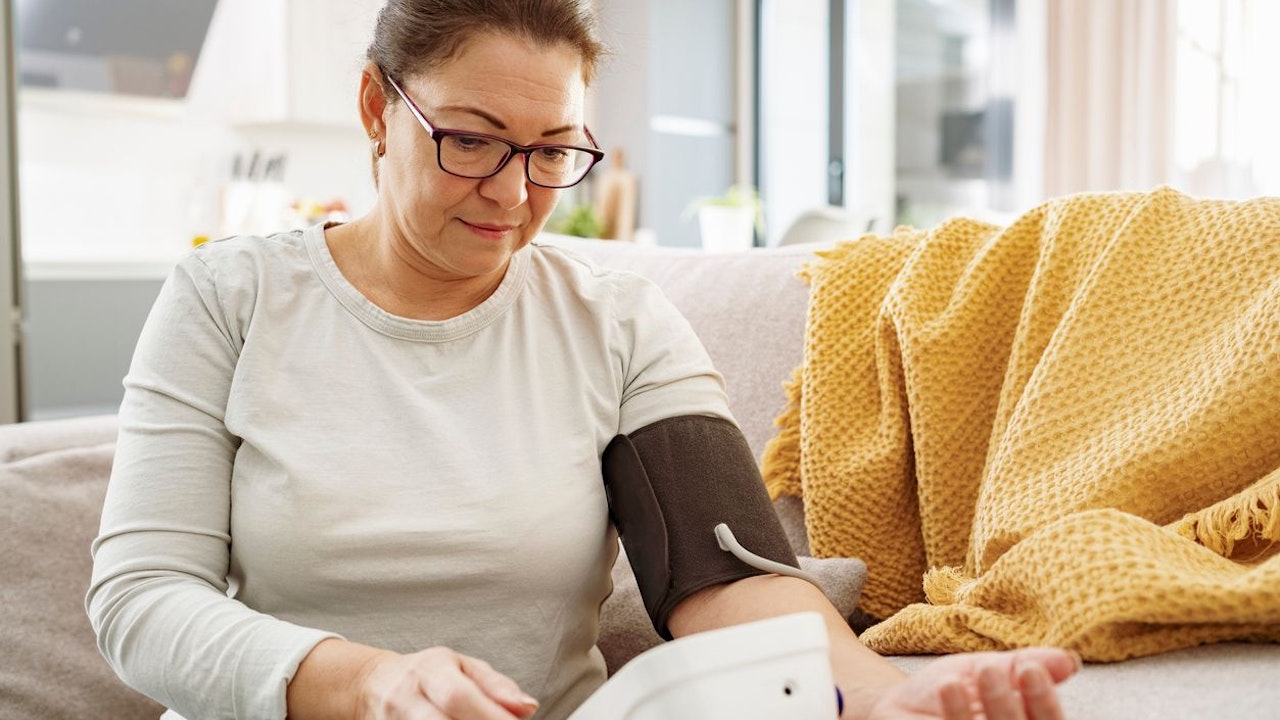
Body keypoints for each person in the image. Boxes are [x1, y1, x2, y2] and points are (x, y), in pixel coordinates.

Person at [87, 2, 1080, 719]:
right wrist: (368, 682)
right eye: (470, 141)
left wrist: (868, 697)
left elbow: (722, 569)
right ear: (374, 109)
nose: (514, 194)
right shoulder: (229, 299)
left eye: (553, 150)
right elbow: (140, 602)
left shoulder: (611, 318)